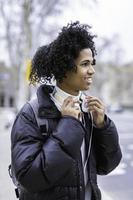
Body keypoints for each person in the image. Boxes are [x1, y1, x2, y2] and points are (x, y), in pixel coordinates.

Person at [11, 21, 122, 200]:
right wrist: (68, 125)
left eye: (92, 63)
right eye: (85, 64)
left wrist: (102, 126)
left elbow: (106, 166)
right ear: (65, 68)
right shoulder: (30, 114)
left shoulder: (88, 112)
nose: (92, 71)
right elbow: (29, 178)